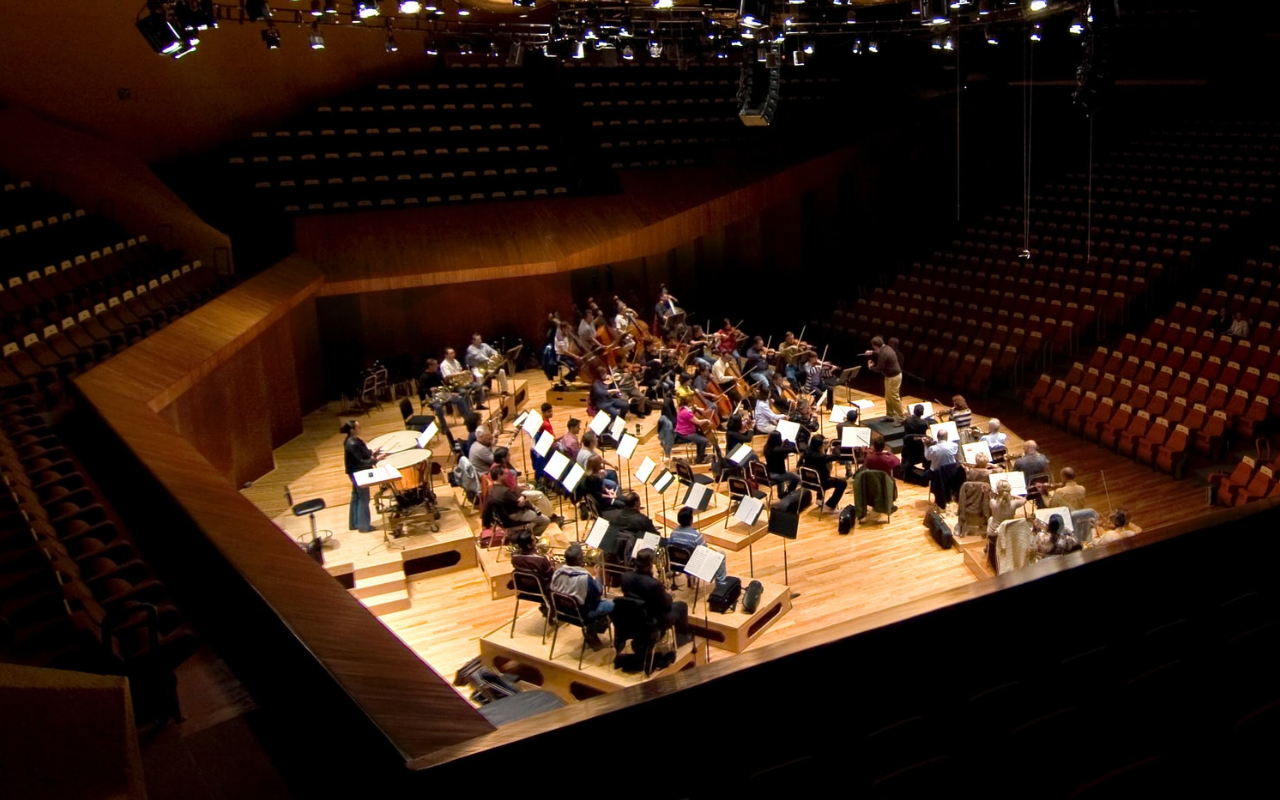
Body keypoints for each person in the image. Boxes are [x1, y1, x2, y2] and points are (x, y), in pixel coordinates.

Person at [619, 549, 688, 648]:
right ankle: (682, 639)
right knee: (682, 606)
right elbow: (666, 605)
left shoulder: (625, 576)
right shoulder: (654, 584)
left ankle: (659, 635)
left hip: (633, 615)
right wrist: (668, 594)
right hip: (652, 620)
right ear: (651, 564)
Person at [551, 544, 613, 648]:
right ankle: (591, 631)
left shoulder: (558, 572)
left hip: (562, 612)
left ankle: (592, 630)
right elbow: (598, 593)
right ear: (579, 560)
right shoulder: (584, 578)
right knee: (616, 605)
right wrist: (597, 575)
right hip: (581, 614)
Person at [493, 446, 561, 521]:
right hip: (514, 496)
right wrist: (521, 487)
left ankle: (534, 510)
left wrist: (519, 485)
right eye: (508, 455)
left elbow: (510, 484)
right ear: (503, 459)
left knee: (531, 486)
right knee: (539, 495)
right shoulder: (504, 471)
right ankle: (550, 516)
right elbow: (513, 489)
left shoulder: (495, 466)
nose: (510, 456)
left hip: (511, 491)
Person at [484, 464, 551, 536]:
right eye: (504, 474)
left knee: (535, 515)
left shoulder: (492, 489)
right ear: (499, 476)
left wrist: (523, 497)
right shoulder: (505, 492)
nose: (507, 476)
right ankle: (529, 539)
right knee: (545, 520)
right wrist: (531, 506)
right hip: (515, 515)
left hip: (503, 517)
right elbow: (521, 503)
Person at [664, 507, 727, 581]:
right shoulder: (695, 535)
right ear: (691, 520)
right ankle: (721, 581)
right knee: (721, 554)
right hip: (693, 566)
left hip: (677, 563)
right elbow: (705, 551)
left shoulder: (674, 532)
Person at [342, 420, 381, 532]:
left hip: (354, 472)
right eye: (358, 427)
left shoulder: (351, 441)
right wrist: (376, 459)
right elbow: (361, 462)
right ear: (352, 430)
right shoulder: (352, 443)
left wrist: (372, 451)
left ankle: (354, 523)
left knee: (356, 497)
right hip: (358, 473)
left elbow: (361, 453)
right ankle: (364, 526)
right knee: (364, 498)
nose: (360, 429)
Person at [417, 356, 473, 422]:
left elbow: (443, 385)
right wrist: (429, 389)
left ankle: (467, 419)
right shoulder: (423, 377)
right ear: (429, 366)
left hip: (442, 395)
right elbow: (420, 391)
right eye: (435, 365)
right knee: (438, 407)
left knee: (459, 398)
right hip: (431, 398)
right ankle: (444, 427)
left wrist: (450, 393)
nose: (437, 366)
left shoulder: (437, 374)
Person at [799, 434, 847, 510]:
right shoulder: (820, 457)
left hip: (807, 481)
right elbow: (836, 456)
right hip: (820, 483)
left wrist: (825, 449)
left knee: (819, 472)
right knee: (842, 483)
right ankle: (830, 505)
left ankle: (819, 498)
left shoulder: (807, 451)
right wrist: (836, 448)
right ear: (819, 446)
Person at [510, 530, 555, 609]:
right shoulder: (541, 559)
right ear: (529, 545)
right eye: (534, 540)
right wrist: (550, 560)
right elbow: (550, 574)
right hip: (541, 591)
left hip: (523, 589)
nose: (536, 541)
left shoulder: (514, 557)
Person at [865, 336, 903, 423]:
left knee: (894, 397)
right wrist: (872, 353)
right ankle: (890, 416)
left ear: (875, 346)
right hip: (890, 376)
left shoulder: (884, 353)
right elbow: (879, 353)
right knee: (888, 397)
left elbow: (879, 368)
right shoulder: (886, 347)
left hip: (894, 377)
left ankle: (901, 418)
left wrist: (870, 367)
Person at [674, 396, 710, 463]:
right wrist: (706, 420)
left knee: (700, 438)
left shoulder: (681, 409)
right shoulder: (687, 413)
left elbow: (693, 409)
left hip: (680, 431)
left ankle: (700, 455)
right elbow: (698, 422)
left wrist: (697, 409)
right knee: (704, 441)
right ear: (689, 403)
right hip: (685, 433)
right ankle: (700, 459)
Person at [764, 430, 800, 495]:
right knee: (796, 478)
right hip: (778, 474)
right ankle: (788, 493)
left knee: (782, 476)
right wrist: (786, 441)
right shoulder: (778, 450)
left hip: (769, 472)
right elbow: (792, 448)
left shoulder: (766, 447)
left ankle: (781, 493)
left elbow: (781, 456)